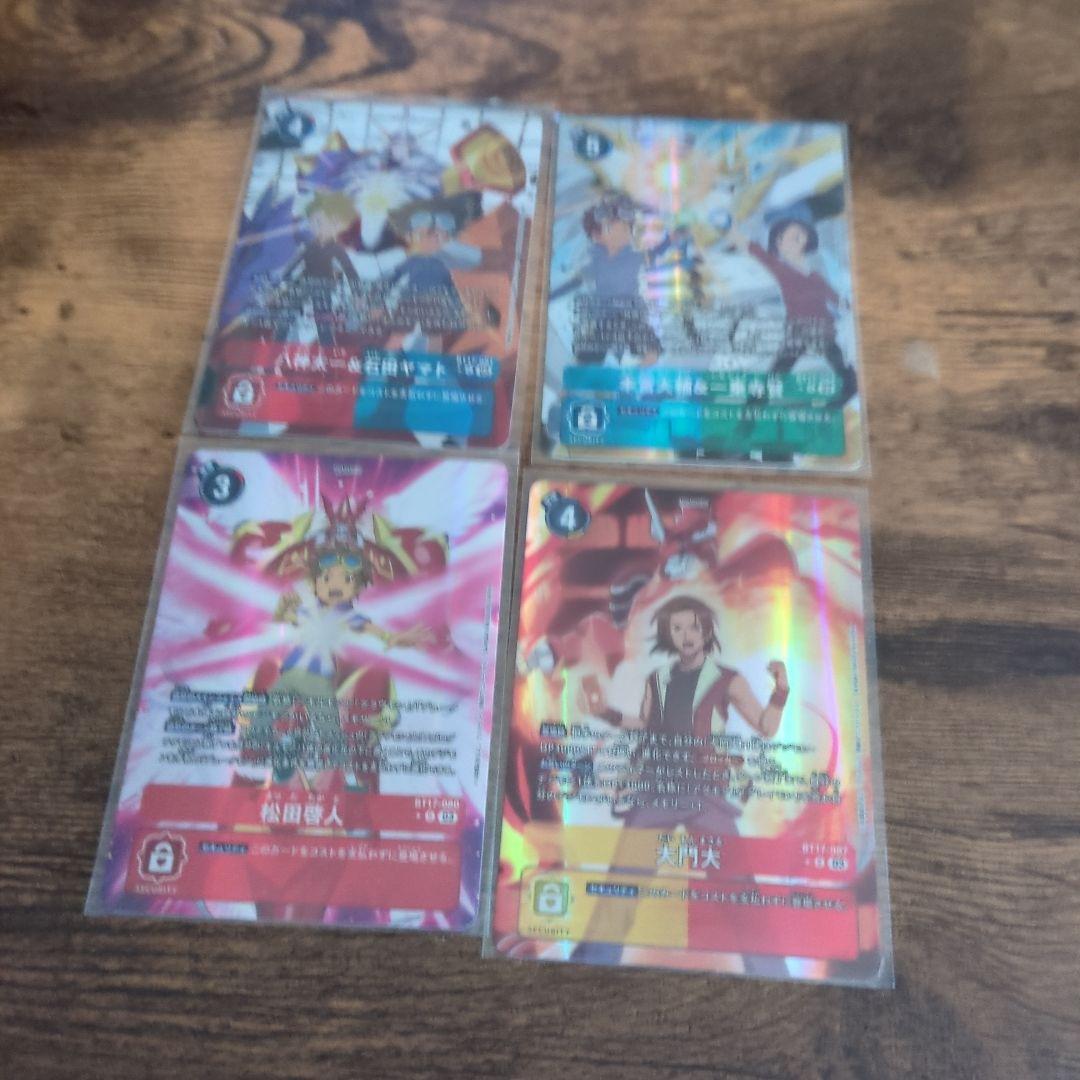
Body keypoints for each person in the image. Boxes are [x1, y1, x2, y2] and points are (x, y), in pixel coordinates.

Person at [572, 594, 788, 961]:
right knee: (622, 883)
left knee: (739, 888)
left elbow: (766, 727)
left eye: (693, 627)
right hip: (657, 787)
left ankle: (770, 969)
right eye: (677, 628)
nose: (686, 635)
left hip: (706, 791)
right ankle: (591, 961)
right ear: (667, 634)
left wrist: (781, 690)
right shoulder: (657, 678)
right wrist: (604, 712)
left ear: (706, 631)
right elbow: (645, 724)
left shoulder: (727, 680)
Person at [730, 211, 857, 405]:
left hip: (822, 331)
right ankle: (752, 409)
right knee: (777, 375)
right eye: (790, 236)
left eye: (800, 235)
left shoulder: (815, 276)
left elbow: (836, 299)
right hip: (799, 331)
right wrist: (732, 232)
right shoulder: (782, 270)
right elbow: (756, 251)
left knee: (847, 377)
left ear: (808, 240)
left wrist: (851, 307)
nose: (798, 239)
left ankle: (835, 405)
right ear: (779, 244)